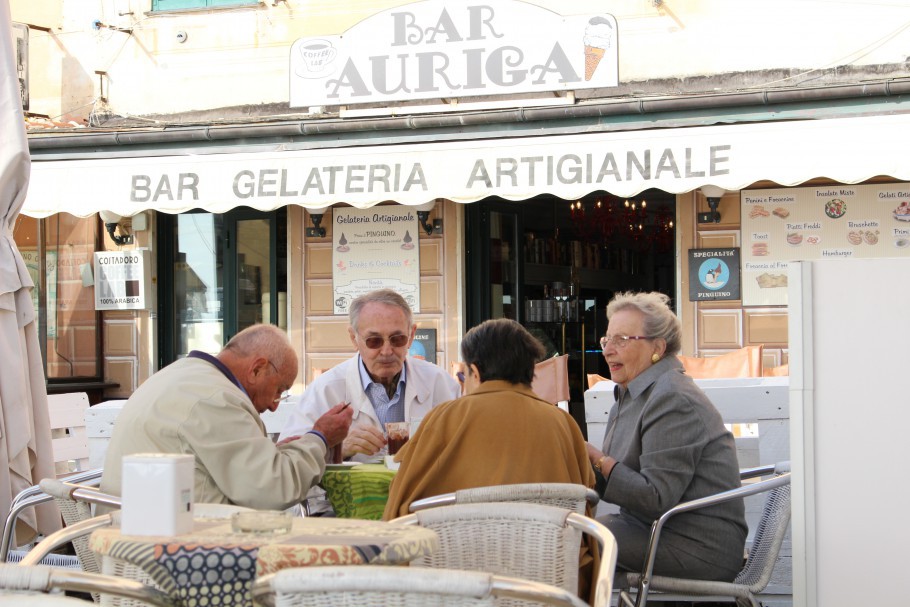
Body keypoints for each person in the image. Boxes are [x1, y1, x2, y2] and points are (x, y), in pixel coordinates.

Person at [100, 324, 353, 510]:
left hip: (132, 540)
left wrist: (276, 454)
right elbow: (273, 489)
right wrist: (319, 437)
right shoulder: (217, 398)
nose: (274, 406)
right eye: (279, 391)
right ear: (257, 369)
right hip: (172, 558)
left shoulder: (183, 374)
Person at [587, 291, 747, 581]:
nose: (608, 350)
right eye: (606, 340)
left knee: (575, 540)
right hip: (650, 530)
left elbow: (656, 496)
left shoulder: (671, 397)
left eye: (621, 339)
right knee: (566, 530)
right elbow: (609, 480)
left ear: (657, 347)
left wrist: (597, 460)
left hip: (697, 546)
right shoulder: (631, 394)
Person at [382, 317, 595, 517]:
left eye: (463, 375)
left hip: (455, 553)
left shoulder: (444, 418)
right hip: (549, 553)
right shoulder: (564, 423)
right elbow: (585, 498)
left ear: (475, 372)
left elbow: (401, 500)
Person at [279, 288, 460, 461]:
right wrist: (339, 449)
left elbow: (462, 446)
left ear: (411, 335)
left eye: (397, 339)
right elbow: (289, 460)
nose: (387, 351)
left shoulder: (439, 382)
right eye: (374, 341)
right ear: (353, 338)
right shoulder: (326, 389)